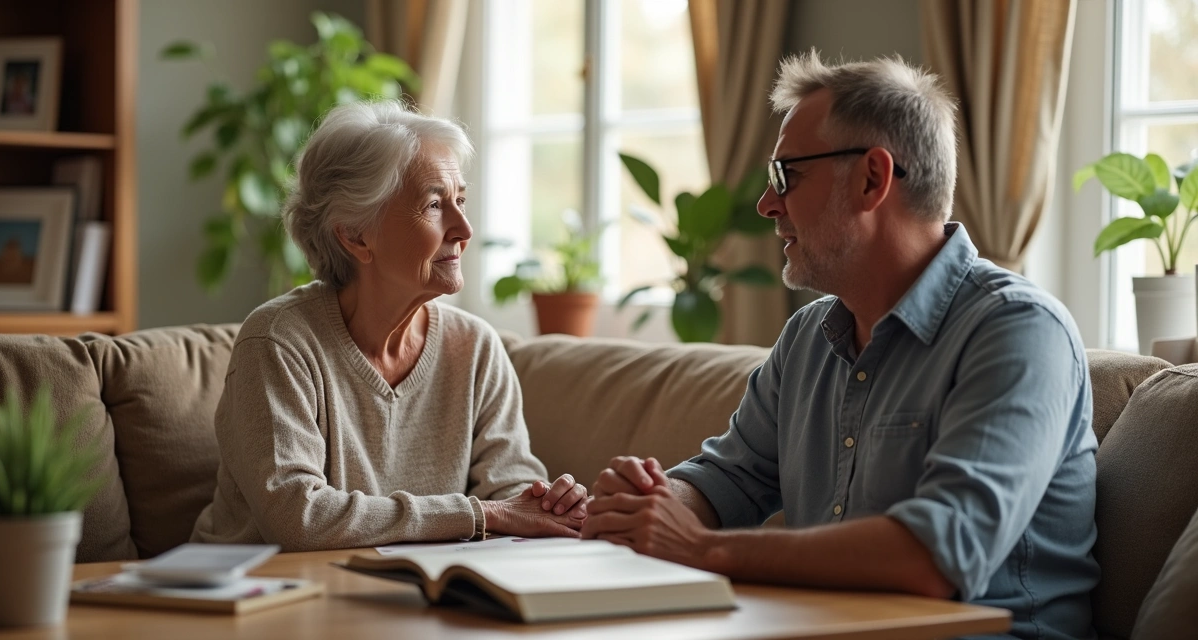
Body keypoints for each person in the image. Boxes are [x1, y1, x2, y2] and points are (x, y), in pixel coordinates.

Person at [583, 51, 1098, 640]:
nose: (766, 205)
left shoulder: (1018, 331)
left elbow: (937, 555)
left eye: (786, 176)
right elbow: (730, 479)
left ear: (872, 178)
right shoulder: (808, 336)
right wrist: (654, 499)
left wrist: (703, 548)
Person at [192, 101, 587, 551]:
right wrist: (483, 515)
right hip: (263, 599)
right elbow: (298, 517)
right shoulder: (279, 342)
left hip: (410, 595)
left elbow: (513, 497)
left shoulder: (475, 347)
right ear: (356, 235)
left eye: (460, 200)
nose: (464, 228)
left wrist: (554, 505)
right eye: (435, 204)